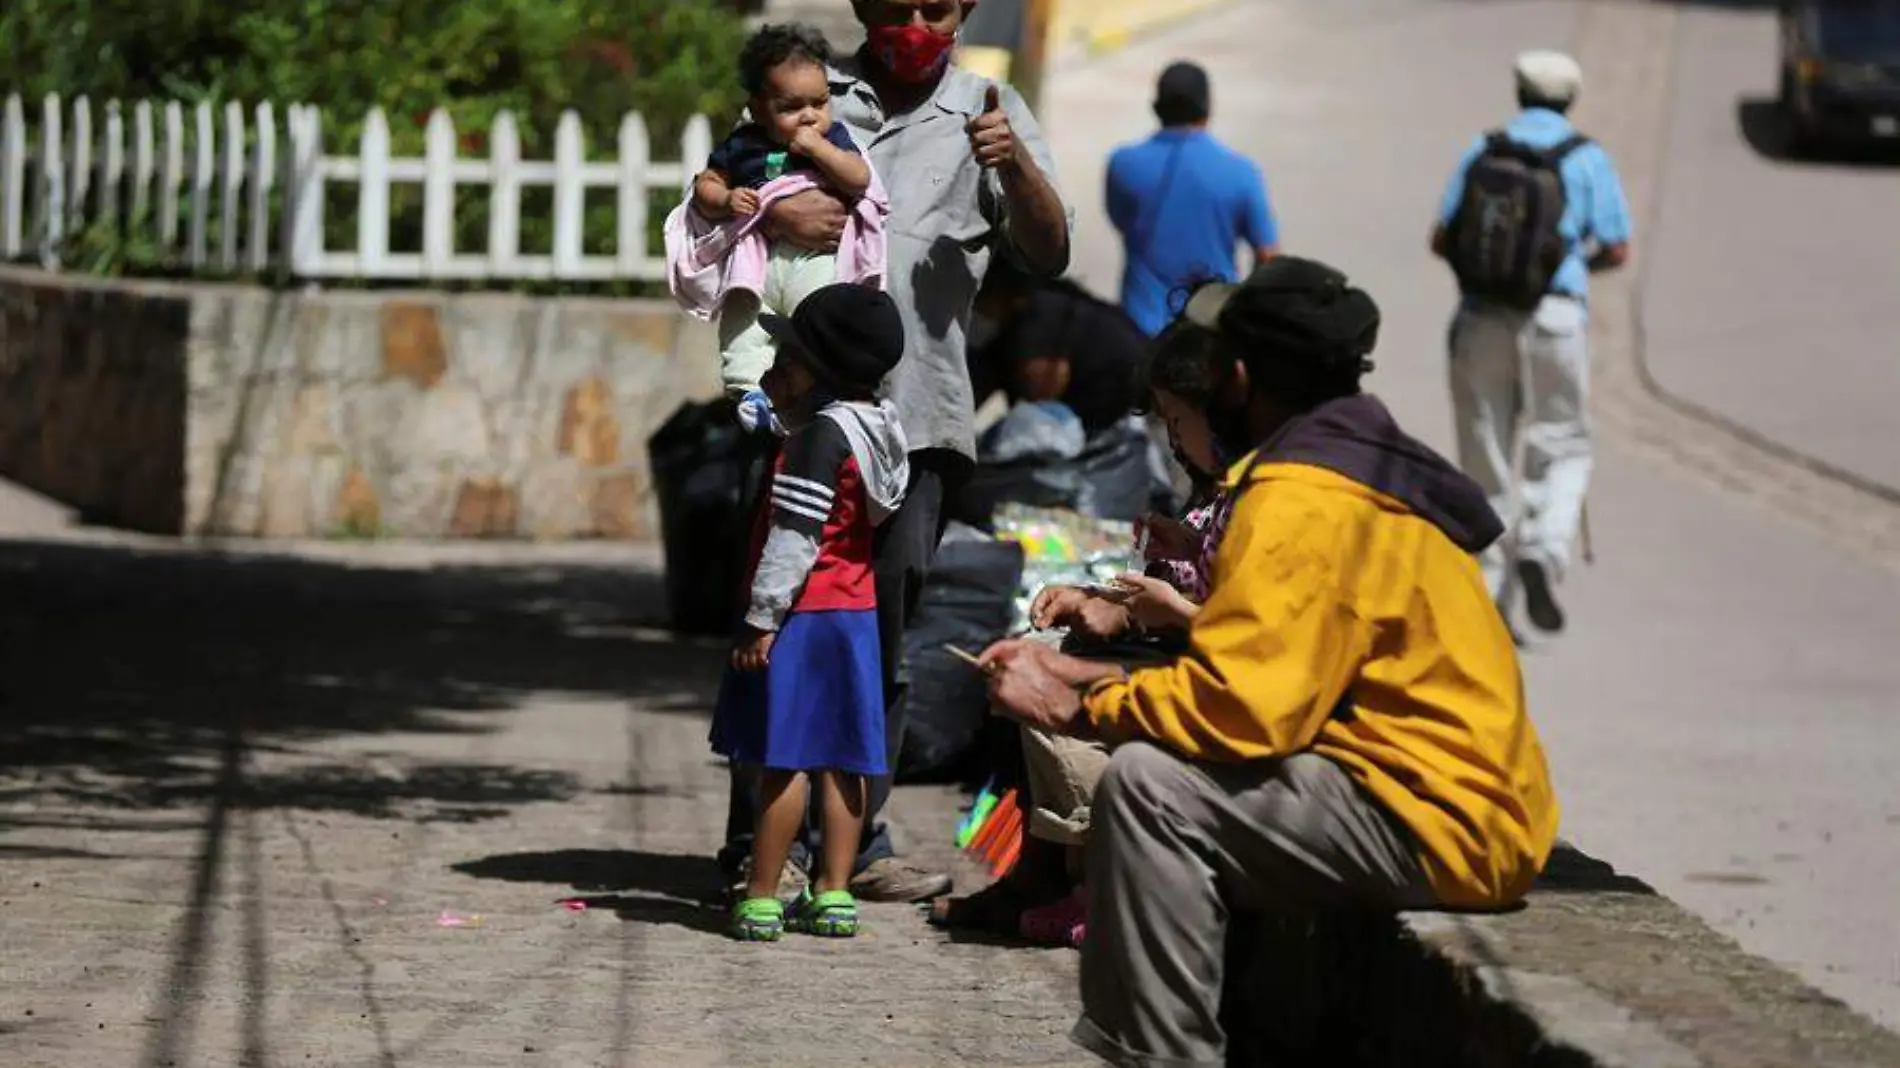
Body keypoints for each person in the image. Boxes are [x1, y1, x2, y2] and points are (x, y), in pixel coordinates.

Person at [978, 257, 1560, 1068]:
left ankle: (1167, 1058)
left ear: (1239, 379)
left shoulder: (1298, 498)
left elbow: (1243, 709)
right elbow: (1267, 673)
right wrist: (1086, 678)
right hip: (1470, 800)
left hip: (1437, 815)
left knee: (1147, 790)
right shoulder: (1371, 462)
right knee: (1166, 766)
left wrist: (1082, 705)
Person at [717, 0, 1072, 906]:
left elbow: (1049, 247)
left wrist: (1014, 163)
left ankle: (856, 846)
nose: (917, 21)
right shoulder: (802, 92)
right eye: (898, 4)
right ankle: (758, 847)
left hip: (917, 425)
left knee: (877, 640)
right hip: (796, 417)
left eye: (939, 5)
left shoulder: (988, 105)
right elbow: (711, 209)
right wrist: (768, 224)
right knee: (773, 620)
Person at [710, 284, 911, 941]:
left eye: (786, 359)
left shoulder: (816, 441)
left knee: (785, 758)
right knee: (846, 759)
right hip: (854, 613)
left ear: (817, 369)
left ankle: (763, 894)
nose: (774, 370)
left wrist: (762, 618)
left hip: (803, 613)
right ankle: (834, 893)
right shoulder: (879, 428)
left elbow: (794, 538)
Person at [1431, 49, 1631, 636]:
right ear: (1571, 99)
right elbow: (1617, 248)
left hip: (1481, 318)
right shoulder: (1587, 158)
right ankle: (1544, 549)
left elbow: (1442, 237)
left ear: (1517, 93)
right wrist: (1563, 270)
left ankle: (1489, 588)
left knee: (1485, 450)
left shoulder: (1484, 150)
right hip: (1554, 319)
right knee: (1562, 442)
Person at [668, 24, 888, 436]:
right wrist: (727, 199)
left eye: (819, 103)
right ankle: (749, 391)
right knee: (744, 319)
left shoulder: (835, 138)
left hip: (815, 258)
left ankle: (816, 390)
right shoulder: (743, 144)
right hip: (758, 259)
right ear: (758, 107)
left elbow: (859, 179)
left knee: (819, 323)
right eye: (791, 107)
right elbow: (705, 185)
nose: (809, 116)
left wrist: (819, 150)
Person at [1106, 60, 1280, 337]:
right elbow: (1268, 256)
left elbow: (1121, 220)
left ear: (1156, 108)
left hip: (1137, 330)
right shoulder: (1240, 171)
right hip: (1210, 330)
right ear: (1208, 109)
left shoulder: (1122, 164)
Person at [967, 260, 1150, 437]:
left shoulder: (1036, 319)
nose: (974, 311)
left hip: (1124, 401)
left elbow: (1042, 393)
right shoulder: (1003, 333)